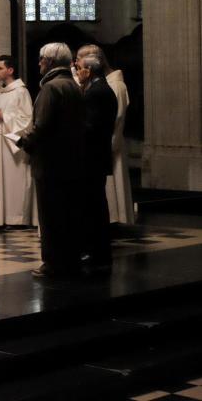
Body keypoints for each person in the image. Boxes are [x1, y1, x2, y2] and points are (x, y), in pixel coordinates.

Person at [17, 43, 86, 278]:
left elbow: (42, 126)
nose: (38, 64)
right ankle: (70, 260)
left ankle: (53, 263)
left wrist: (23, 141)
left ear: (50, 61)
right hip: (71, 160)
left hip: (50, 163)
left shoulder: (51, 88)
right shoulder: (73, 85)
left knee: (50, 216)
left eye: (41, 60)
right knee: (68, 214)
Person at [76, 44, 133, 224]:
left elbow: (115, 118)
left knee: (102, 196)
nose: (75, 64)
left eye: (78, 60)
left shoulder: (113, 86)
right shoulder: (99, 85)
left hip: (105, 146)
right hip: (101, 147)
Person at [75, 53, 117, 270]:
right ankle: (97, 250)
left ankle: (95, 250)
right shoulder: (102, 90)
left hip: (91, 158)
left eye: (78, 67)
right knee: (96, 203)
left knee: (93, 205)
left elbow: (89, 127)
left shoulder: (95, 92)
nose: (76, 71)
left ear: (88, 71)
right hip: (97, 157)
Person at [0, 55, 37, 227]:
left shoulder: (21, 91)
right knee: (1, 180)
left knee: (14, 180)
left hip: (14, 144)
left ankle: (18, 218)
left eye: (0, 68)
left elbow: (27, 119)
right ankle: (2, 217)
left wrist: (5, 116)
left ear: (10, 70)